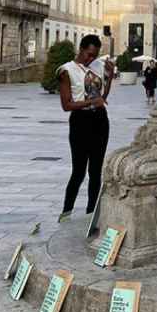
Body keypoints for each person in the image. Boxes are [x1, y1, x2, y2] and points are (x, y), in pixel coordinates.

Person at [57, 34, 114, 222]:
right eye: (89, 54)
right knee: (79, 171)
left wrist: (110, 77)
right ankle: (66, 212)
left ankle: (92, 214)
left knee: (96, 170)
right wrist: (90, 101)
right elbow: (66, 105)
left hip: (100, 121)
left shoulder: (98, 66)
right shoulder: (66, 70)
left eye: (95, 55)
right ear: (81, 49)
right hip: (80, 122)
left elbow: (103, 96)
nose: (91, 59)